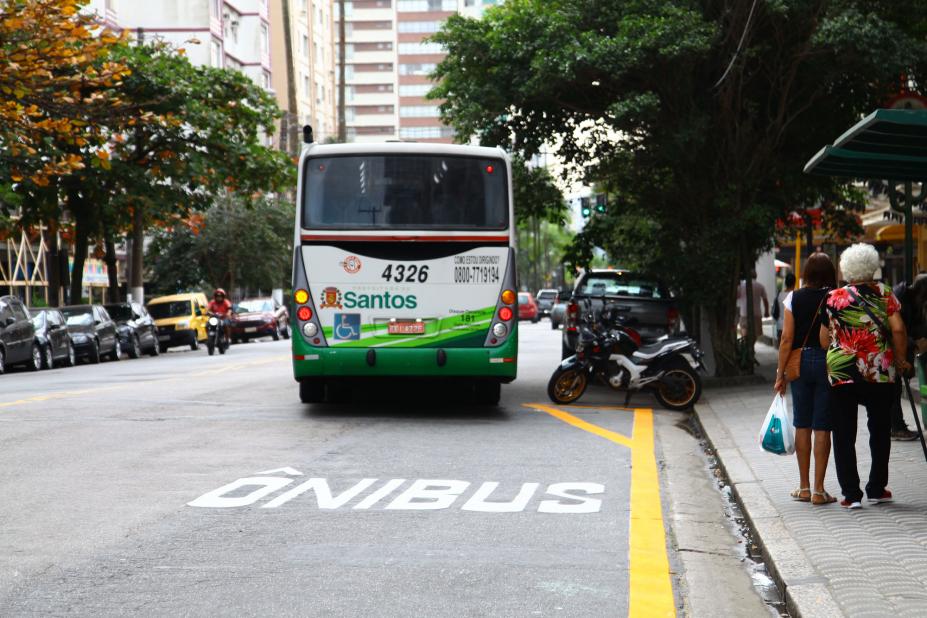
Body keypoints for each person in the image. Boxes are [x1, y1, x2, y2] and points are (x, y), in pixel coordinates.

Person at [823, 243, 911, 510]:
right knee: (880, 429)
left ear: (847, 268)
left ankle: (851, 494)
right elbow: (897, 329)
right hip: (878, 370)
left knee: (844, 431)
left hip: (843, 371)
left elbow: (823, 337)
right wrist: (900, 358)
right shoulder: (884, 293)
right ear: (872, 266)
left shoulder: (833, 297)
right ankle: (876, 488)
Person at [774, 254, 837, 505]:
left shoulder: (793, 297)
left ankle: (803, 487)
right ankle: (819, 491)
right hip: (827, 362)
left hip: (799, 363)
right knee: (822, 425)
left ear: (807, 273)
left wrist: (780, 375)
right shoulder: (835, 297)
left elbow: (787, 339)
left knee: (803, 422)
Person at [889, 275, 927, 440]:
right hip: (894, 350)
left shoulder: (912, 299)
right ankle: (896, 427)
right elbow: (895, 330)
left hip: (903, 347)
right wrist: (915, 344)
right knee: (894, 388)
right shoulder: (899, 298)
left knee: (896, 388)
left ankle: (897, 426)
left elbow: (916, 325)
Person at [737, 272, 770, 339]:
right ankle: (751, 345)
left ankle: (745, 342)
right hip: (756, 313)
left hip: (744, 312)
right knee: (756, 333)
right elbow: (765, 300)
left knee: (744, 328)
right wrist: (766, 312)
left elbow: (737, 296)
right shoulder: (760, 286)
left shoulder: (741, 285)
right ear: (756, 276)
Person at [773, 272, 796, 345]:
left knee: (781, 350)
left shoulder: (779, 295)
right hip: (793, 328)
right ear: (794, 283)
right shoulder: (796, 295)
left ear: (785, 283)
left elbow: (775, 312)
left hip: (780, 326)